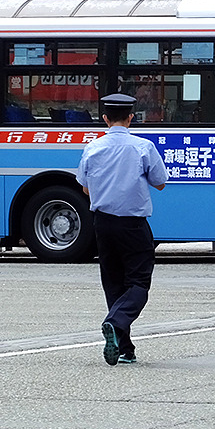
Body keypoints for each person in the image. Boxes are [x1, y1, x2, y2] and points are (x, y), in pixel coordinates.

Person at [77, 92, 169, 366]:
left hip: (103, 223)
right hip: (133, 224)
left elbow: (84, 187)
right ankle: (115, 323)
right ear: (131, 118)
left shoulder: (93, 148)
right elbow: (160, 182)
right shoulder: (142, 147)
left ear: (105, 119)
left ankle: (125, 349)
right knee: (138, 282)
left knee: (114, 284)